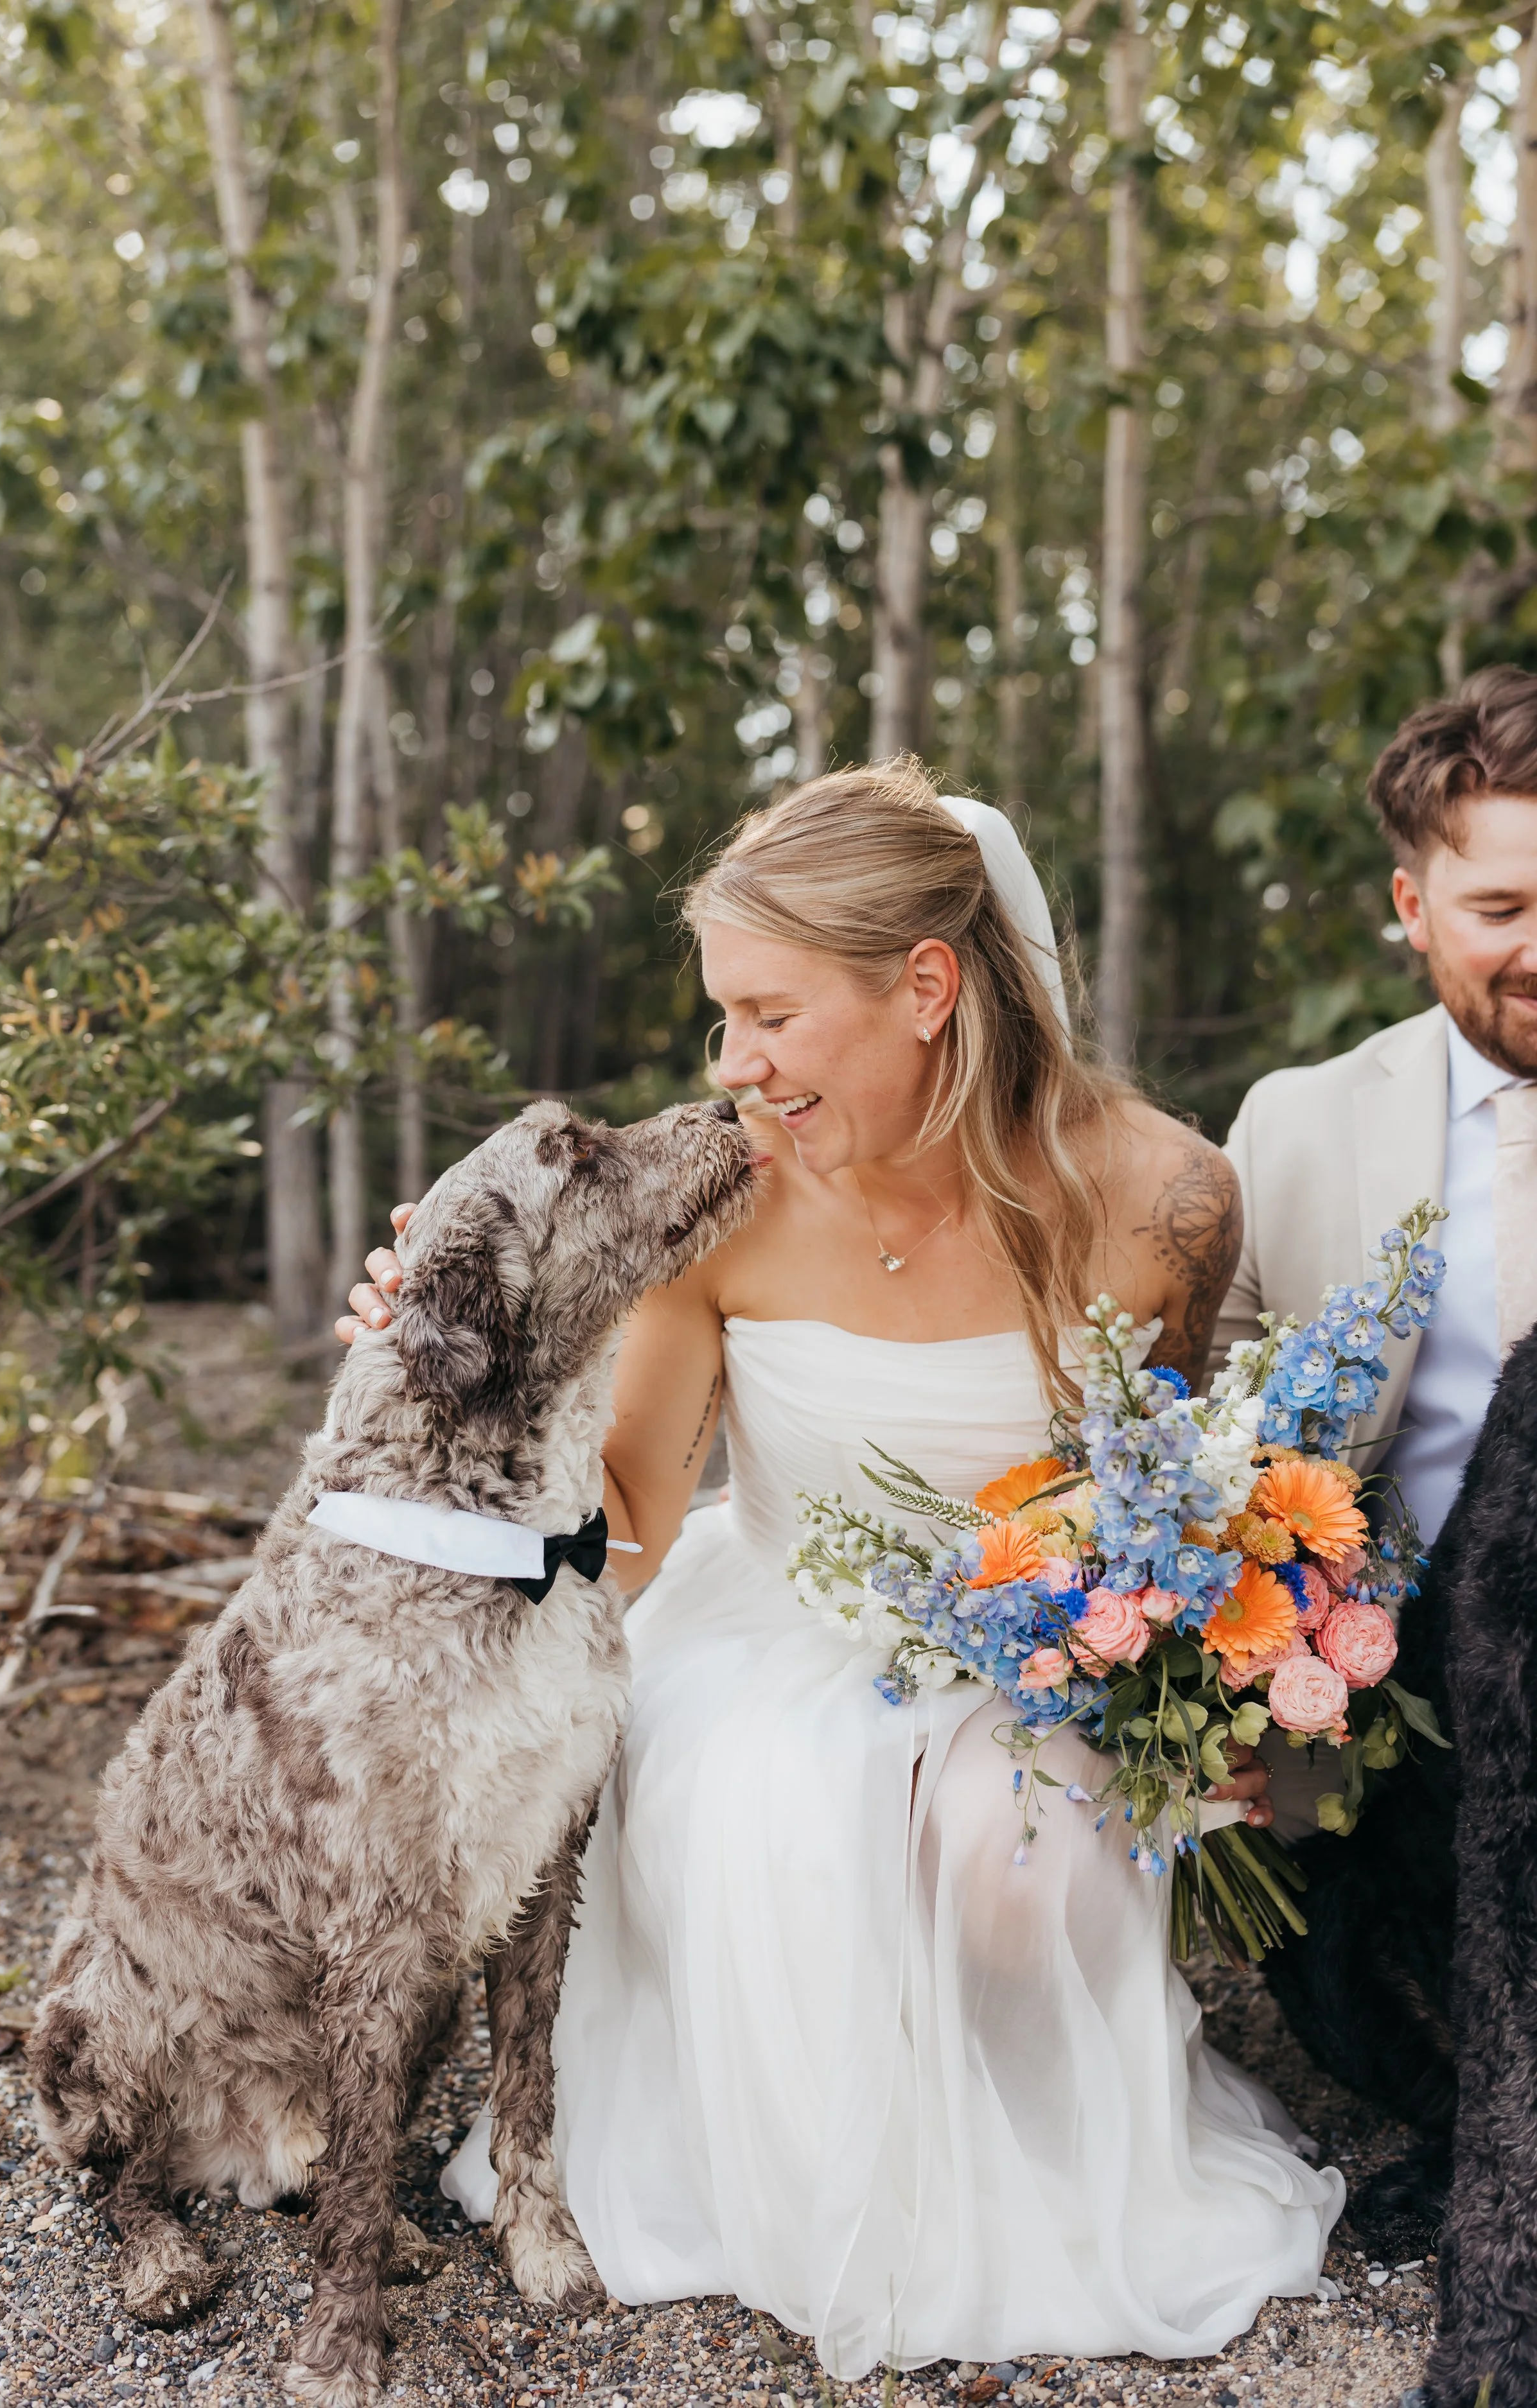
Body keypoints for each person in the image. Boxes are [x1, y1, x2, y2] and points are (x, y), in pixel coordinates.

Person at [339, 764, 1340, 2379]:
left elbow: (1176, 1495)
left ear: (926, 988)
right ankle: (815, 2182)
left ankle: (1036, 2145)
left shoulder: (1164, 1194)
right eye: (724, 1017)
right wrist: (453, 1397)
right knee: (770, 1816)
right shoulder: (720, 1197)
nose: (732, 1063)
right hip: (781, 1623)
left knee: (1021, 1869)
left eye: (769, 1015)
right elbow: (639, 1518)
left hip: (1046, 1640)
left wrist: (1202, 1689)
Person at [1214, 667, 1537, 2231]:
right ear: (1411, 906)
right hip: (1382, 1694)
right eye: (1501, 907)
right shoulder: (1291, 1122)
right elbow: (1208, 1406)